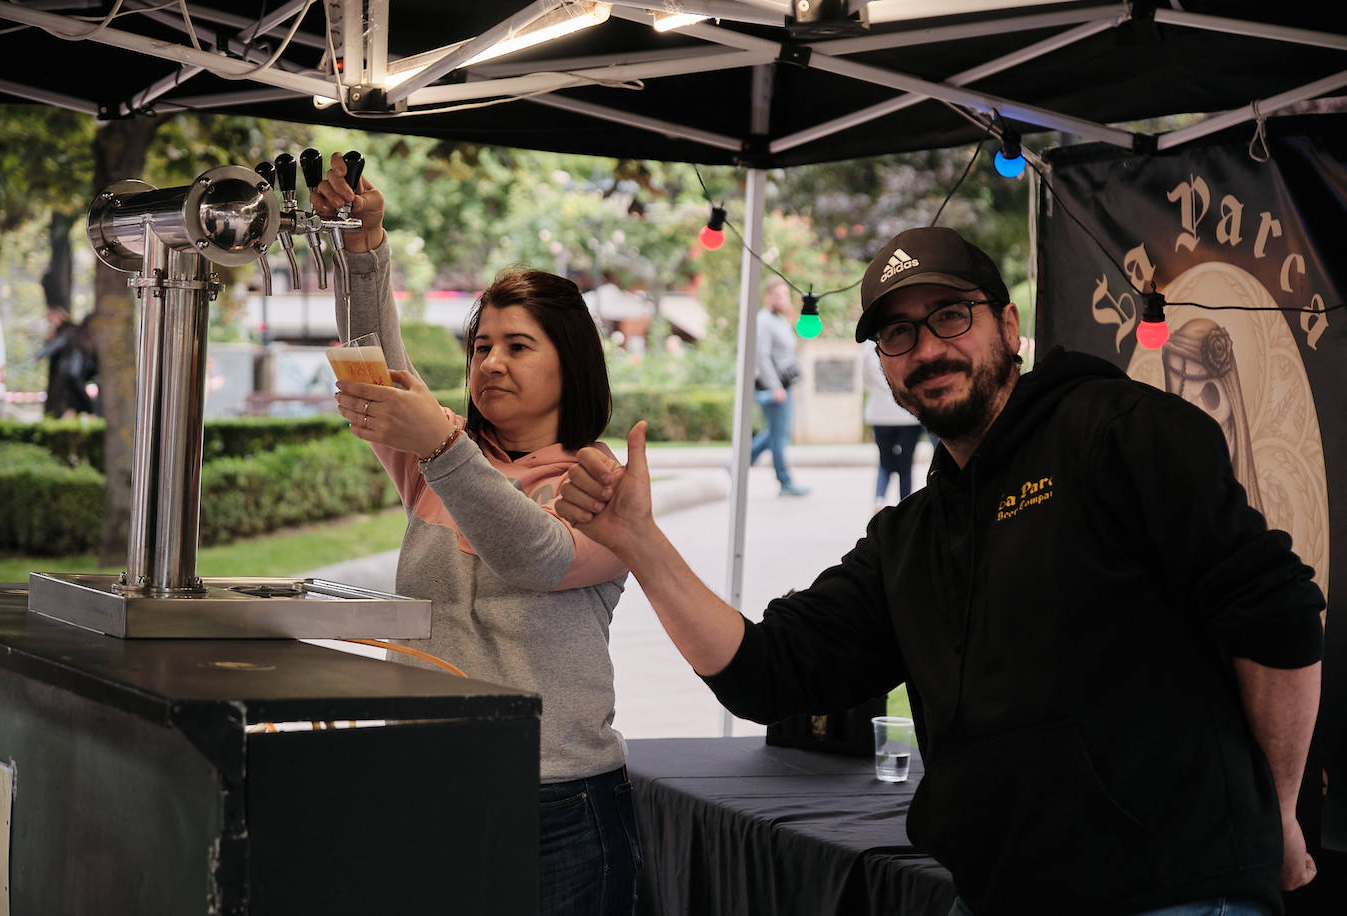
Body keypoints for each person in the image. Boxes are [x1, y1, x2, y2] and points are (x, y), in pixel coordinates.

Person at [558, 226, 1323, 916]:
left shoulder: (1119, 433)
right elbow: (766, 674)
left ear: (1009, 326)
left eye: (950, 316)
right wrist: (640, 542)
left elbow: (1277, 614)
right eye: (897, 334)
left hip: (1170, 893)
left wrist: (1276, 815)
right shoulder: (910, 536)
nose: (926, 349)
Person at [309, 154, 642, 916]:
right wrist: (363, 245)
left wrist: (441, 447)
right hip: (425, 777)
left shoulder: (600, 484)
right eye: (481, 346)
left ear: (573, 363)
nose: (489, 363)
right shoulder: (447, 459)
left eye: (517, 347)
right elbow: (373, 370)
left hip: (556, 802)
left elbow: (537, 554)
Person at [749, 277, 809, 496]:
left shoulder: (781, 320)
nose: (782, 299)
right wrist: (775, 387)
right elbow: (762, 356)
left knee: (777, 433)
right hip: (774, 387)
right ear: (768, 297)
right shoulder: (763, 321)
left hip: (784, 385)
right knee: (779, 436)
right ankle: (784, 481)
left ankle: (738, 463)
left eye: (784, 295)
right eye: (777, 295)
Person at [861, 337, 923, 509]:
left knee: (885, 461)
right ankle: (906, 506)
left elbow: (864, 377)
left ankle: (879, 498)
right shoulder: (913, 339)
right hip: (908, 414)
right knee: (906, 464)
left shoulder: (868, 346)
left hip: (880, 414)